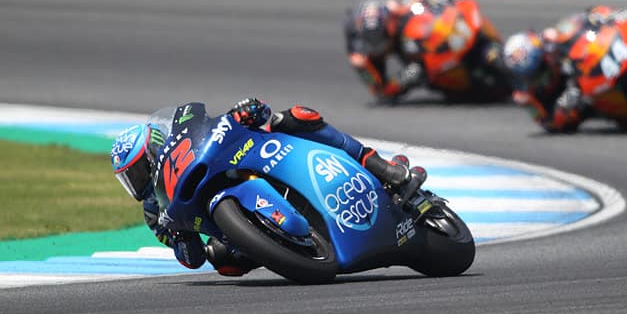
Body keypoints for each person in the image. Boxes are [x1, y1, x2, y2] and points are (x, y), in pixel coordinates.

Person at [111, 98, 415, 277]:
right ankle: (285, 248)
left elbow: (230, 121)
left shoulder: (183, 142)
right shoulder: (155, 213)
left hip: (243, 159)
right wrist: (180, 235)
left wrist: (245, 112)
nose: (137, 181)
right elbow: (192, 259)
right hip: (227, 225)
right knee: (223, 261)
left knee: (296, 117)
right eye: (129, 178)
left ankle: (379, 166)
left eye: (137, 171)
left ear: (153, 149)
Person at [344, 0, 505, 101]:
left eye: (377, 36)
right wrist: (405, 77)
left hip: (448, 42)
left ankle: (493, 45)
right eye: (370, 38)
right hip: (429, 68)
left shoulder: (405, 8)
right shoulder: (360, 44)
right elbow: (382, 91)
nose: (374, 41)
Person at [502, 5, 627, 132]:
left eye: (540, 67)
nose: (540, 76)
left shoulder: (550, 38)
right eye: (532, 76)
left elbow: (576, 23)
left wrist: (596, 17)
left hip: (591, 63)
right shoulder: (526, 96)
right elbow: (548, 124)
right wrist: (563, 108)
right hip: (586, 101)